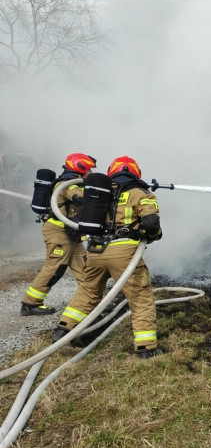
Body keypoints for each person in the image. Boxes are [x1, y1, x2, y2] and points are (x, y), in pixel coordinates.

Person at [53, 156, 165, 358]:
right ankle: (146, 348)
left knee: (88, 292)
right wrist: (151, 236)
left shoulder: (100, 193)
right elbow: (151, 226)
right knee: (140, 298)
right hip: (124, 254)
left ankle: (63, 330)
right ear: (135, 172)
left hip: (95, 251)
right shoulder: (142, 194)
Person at [20, 152, 97, 316]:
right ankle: (30, 303)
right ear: (81, 168)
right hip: (58, 231)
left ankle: (92, 302)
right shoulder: (67, 183)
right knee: (55, 267)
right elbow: (80, 198)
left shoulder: (77, 182)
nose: (91, 173)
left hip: (71, 233)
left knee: (85, 267)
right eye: (90, 170)